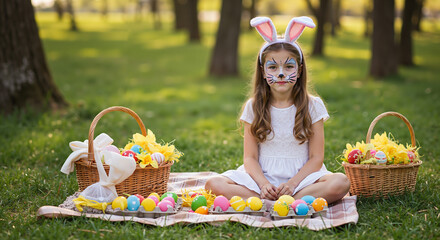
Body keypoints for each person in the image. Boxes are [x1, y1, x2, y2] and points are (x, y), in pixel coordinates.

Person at [205, 16, 350, 204]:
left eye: (288, 66)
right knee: (213, 183)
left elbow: (316, 158)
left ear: (299, 71)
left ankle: (285, 200)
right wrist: (264, 184)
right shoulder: (254, 106)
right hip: (262, 178)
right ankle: (268, 199)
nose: (280, 73)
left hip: (302, 180)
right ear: (264, 72)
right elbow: (249, 158)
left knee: (341, 182)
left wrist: (292, 184)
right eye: (273, 67)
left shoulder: (313, 105)